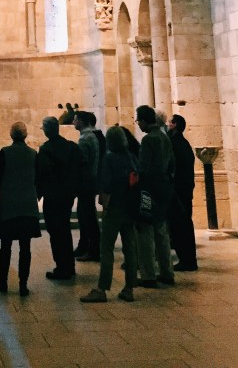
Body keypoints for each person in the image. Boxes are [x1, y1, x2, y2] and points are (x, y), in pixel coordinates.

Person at [81, 124, 139, 303]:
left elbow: (106, 184)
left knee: (106, 249)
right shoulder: (131, 157)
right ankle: (129, 288)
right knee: (130, 249)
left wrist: (104, 204)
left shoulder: (109, 158)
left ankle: (102, 289)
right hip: (129, 207)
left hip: (114, 207)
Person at [0, 121, 40, 296]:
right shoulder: (33, 154)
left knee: (5, 246)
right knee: (25, 247)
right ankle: (23, 285)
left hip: (10, 205)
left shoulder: (5, 152)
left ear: (12, 135)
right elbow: (36, 177)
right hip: (28, 205)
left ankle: (3, 281)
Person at [134, 104, 176, 288]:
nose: (138, 125)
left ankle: (149, 275)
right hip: (164, 186)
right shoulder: (165, 137)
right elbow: (172, 163)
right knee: (162, 231)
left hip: (149, 189)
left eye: (138, 121)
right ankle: (167, 272)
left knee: (145, 232)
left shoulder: (149, 140)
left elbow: (143, 168)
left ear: (143, 120)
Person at [36, 115, 80, 281]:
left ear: (47, 130)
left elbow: (43, 174)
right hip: (67, 196)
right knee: (64, 229)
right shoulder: (71, 147)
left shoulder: (46, 149)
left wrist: (38, 194)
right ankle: (69, 265)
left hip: (53, 196)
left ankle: (62, 267)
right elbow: (77, 170)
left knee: (56, 232)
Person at [167, 113, 198, 271]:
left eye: (169, 123)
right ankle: (187, 259)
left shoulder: (176, 143)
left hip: (179, 190)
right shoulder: (181, 143)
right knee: (182, 225)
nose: (167, 125)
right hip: (183, 189)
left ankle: (187, 260)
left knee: (181, 225)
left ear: (174, 125)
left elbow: (175, 168)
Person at [73, 110, 100, 261]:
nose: (73, 122)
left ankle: (92, 250)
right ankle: (86, 247)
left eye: (75, 120)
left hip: (86, 182)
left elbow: (82, 163)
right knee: (87, 215)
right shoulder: (92, 136)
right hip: (90, 181)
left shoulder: (85, 138)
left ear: (82, 121)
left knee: (87, 216)